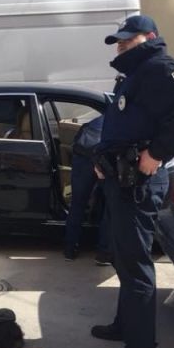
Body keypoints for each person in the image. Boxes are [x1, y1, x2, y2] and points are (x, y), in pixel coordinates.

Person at [92, 15, 174, 348]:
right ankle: (125, 325)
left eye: (129, 39)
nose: (122, 45)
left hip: (138, 183)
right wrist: (103, 160)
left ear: (151, 36)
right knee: (122, 258)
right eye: (119, 40)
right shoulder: (136, 73)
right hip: (120, 178)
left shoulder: (160, 68)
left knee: (135, 265)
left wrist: (156, 153)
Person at [63, 114, 111, 265]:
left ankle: (70, 249)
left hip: (83, 158)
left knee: (77, 203)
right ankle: (103, 253)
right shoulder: (126, 118)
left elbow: (76, 144)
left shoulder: (96, 121)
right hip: (105, 160)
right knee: (110, 206)